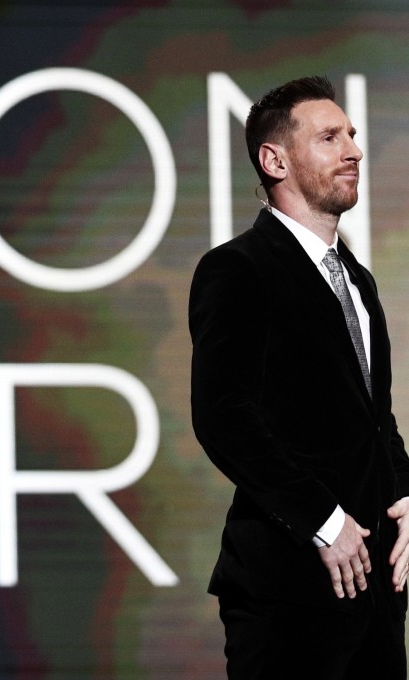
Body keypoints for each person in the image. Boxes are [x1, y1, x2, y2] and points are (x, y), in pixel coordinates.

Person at [190, 75, 409, 678]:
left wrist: (406, 493)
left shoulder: (357, 280)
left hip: (377, 601)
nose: (354, 151)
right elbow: (223, 417)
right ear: (274, 158)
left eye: (353, 136)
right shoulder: (236, 269)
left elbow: (372, 420)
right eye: (330, 137)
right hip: (288, 594)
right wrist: (325, 520)